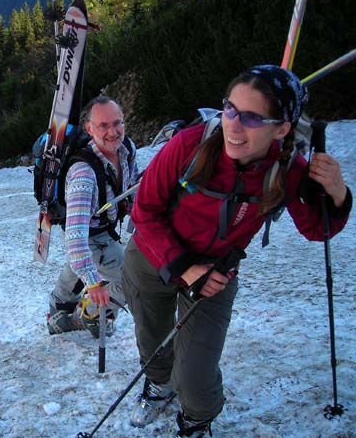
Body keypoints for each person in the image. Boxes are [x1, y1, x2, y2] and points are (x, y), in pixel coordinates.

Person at [121, 65, 351, 437]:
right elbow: (144, 211)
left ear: (282, 128)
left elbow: (315, 228)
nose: (234, 124)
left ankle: (196, 418)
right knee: (152, 338)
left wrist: (337, 194)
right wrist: (186, 268)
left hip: (215, 274)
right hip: (153, 258)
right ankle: (158, 385)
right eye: (230, 109)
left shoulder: (287, 168)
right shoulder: (189, 145)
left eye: (252, 117)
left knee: (195, 378)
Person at [47, 95, 140, 338]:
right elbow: (76, 239)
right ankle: (89, 315)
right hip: (92, 235)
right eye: (103, 126)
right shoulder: (83, 175)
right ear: (89, 129)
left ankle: (59, 308)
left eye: (118, 123)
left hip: (105, 229)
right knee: (132, 282)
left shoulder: (127, 149)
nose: (113, 132)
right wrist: (95, 284)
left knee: (90, 262)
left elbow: (130, 192)